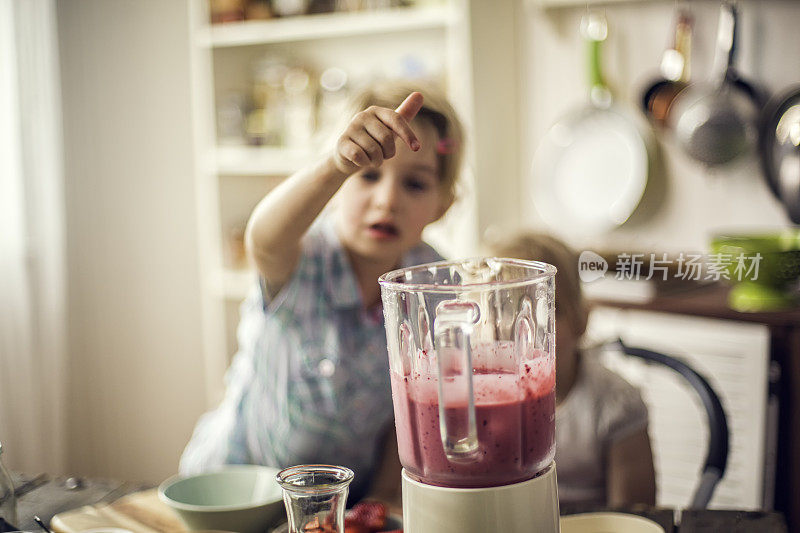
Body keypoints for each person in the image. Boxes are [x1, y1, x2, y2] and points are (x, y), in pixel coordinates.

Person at [179, 80, 464, 507]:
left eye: (415, 184)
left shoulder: (432, 287)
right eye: (366, 175)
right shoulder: (302, 255)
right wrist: (334, 164)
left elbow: (412, 411)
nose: (387, 200)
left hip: (345, 503)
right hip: (238, 492)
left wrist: (385, 497)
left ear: (443, 202)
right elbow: (263, 238)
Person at [489, 232, 656, 507]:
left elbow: (632, 514)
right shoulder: (481, 406)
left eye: (543, 315)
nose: (518, 336)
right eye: (499, 314)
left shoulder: (615, 404)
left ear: (582, 320)